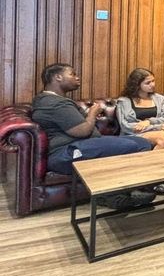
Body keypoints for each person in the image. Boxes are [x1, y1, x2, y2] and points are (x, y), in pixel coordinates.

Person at [31, 63, 154, 208]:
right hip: (65, 153)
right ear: (58, 77)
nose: (77, 78)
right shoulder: (53, 103)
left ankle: (120, 191)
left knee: (142, 143)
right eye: (72, 74)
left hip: (83, 145)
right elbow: (82, 130)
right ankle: (116, 194)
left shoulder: (56, 101)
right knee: (132, 146)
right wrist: (92, 113)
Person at [116, 68, 164, 148]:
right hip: (135, 134)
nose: (152, 85)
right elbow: (126, 126)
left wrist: (149, 121)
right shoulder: (124, 101)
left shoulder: (160, 99)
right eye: (148, 83)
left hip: (161, 131)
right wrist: (158, 127)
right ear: (137, 85)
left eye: (153, 81)